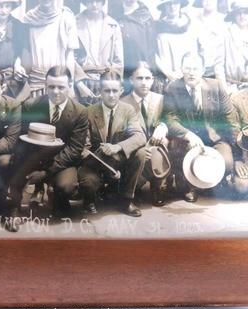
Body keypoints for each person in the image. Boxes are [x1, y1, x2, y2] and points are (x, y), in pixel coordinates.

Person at [6, 66, 88, 232]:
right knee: (15, 168)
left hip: (62, 160)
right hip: (34, 156)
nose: (56, 92)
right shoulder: (31, 105)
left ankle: (56, 198)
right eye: (51, 87)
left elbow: (74, 149)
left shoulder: (80, 112)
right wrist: (26, 166)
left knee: (66, 186)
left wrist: (46, 172)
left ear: (70, 85)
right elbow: (21, 139)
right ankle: (13, 209)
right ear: (45, 85)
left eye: (61, 87)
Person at [164, 52, 237, 202]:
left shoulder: (215, 86)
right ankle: (190, 186)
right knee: (186, 162)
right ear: (181, 69)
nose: (191, 73)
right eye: (187, 68)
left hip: (214, 139)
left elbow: (230, 116)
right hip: (186, 141)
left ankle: (212, 183)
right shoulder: (172, 88)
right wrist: (187, 134)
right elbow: (170, 120)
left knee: (227, 161)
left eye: (195, 69)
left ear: (203, 70)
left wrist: (237, 149)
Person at [78, 70, 146, 217]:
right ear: (100, 91)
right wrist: (103, 160)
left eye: (115, 90)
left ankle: (125, 201)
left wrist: (117, 147)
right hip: (95, 163)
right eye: (107, 90)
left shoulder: (128, 110)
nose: (111, 95)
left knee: (140, 153)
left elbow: (140, 136)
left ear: (121, 91)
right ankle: (90, 199)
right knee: (89, 182)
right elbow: (84, 147)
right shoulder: (88, 112)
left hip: (119, 161)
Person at [121, 62, 170, 206]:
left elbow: (167, 119)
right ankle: (132, 190)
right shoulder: (123, 102)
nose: (144, 83)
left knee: (167, 142)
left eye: (148, 78)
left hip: (158, 146)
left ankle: (158, 186)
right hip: (138, 149)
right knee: (141, 155)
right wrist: (141, 146)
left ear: (153, 80)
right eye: (139, 78)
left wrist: (162, 126)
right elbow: (123, 133)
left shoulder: (160, 99)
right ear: (131, 80)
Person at [15, 0, 81, 97]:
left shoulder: (66, 17)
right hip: (36, 83)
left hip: (58, 81)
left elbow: (69, 55)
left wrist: (70, 84)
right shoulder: (29, 19)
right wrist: (17, 64)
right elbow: (24, 51)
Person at [75, 0, 124, 105]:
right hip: (81, 80)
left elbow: (118, 61)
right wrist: (79, 83)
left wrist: (110, 85)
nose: (94, 5)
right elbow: (68, 57)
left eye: (97, 1)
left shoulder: (113, 25)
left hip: (105, 80)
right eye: (90, 1)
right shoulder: (74, 22)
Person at [0, 67, 21, 214]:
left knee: (5, 162)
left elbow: (9, 141)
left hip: (1, 152)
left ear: (2, 88)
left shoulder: (12, 106)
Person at [156, 0, 200, 86]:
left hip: (189, 76)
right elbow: (153, 54)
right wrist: (168, 73)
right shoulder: (158, 27)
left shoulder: (190, 25)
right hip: (168, 78)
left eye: (175, 3)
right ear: (164, 6)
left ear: (180, 4)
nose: (172, 7)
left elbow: (196, 52)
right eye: (169, 4)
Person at [0, 0, 29, 101]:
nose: (4, 11)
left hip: (12, 76)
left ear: (11, 7)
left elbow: (22, 50)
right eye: (0, 7)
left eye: (7, 6)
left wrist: (18, 65)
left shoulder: (18, 26)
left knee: (12, 107)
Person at [117, 0, 157, 82]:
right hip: (121, 71)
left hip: (141, 71)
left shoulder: (146, 17)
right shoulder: (115, 14)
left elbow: (152, 48)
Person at [216, 0, 248, 94]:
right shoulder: (225, 35)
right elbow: (218, 65)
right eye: (239, 13)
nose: (242, 16)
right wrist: (224, 89)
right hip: (233, 88)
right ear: (234, 16)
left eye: (245, 12)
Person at [193, 0, 226, 78]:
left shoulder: (224, 20)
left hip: (222, 70)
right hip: (201, 71)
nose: (208, 1)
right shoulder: (194, 21)